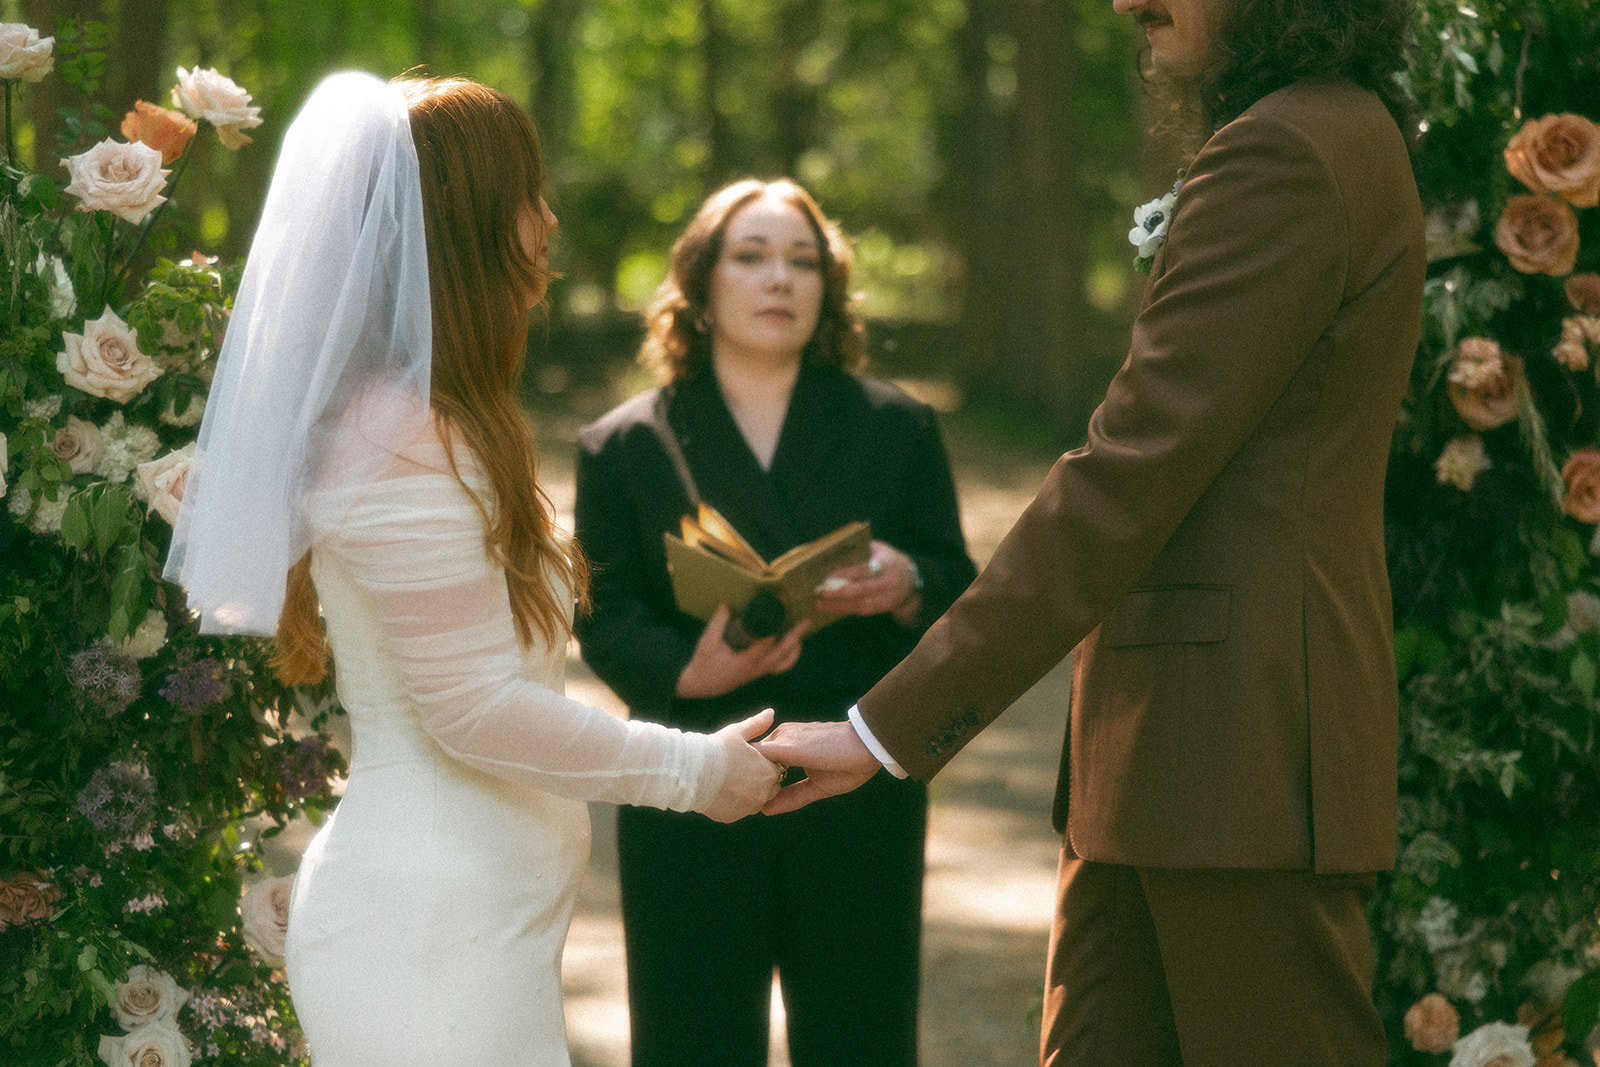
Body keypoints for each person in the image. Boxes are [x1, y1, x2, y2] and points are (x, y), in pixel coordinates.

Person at [756, 0, 1425, 1064]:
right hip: (1172, 764)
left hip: (1235, 764)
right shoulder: (1317, 133)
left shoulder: (1289, 149)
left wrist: (884, 728)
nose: (1125, 2)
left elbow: (1129, 470)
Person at [163, 72, 780, 1067]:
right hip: (430, 937)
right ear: (463, 223)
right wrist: (694, 769)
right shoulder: (405, 439)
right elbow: (470, 708)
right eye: (524, 192)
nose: (547, 218)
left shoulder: (427, 421)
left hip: (452, 925)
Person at [573, 178, 976, 1066]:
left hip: (856, 772)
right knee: (690, 1040)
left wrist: (909, 581)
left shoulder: (897, 426)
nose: (779, 280)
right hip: (690, 770)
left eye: (803, 262)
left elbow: (960, 588)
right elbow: (601, 616)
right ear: (701, 287)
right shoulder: (624, 443)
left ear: (829, 290)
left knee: (862, 1036)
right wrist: (687, 674)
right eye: (750, 257)